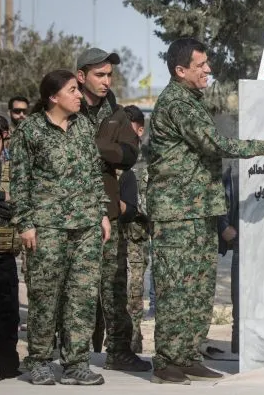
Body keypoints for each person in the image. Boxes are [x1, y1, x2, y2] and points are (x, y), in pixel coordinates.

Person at [147, 37, 264, 384]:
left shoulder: (192, 101)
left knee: (199, 289)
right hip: (177, 213)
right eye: (200, 65)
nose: (208, 69)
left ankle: (188, 355)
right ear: (180, 70)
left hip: (199, 209)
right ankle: (166, 361)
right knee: (176, 289)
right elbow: (214, 144)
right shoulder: (177, 103)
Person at [10, 70, 111, 385]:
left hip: (86, 226)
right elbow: (20, 180)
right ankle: (39, 360)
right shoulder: (30, 130)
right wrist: (26, 223)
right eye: (72, 90)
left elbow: (94, 172)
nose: (79, 95)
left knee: (82, 296)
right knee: (45, 296)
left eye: (78, 90)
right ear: (53, 97)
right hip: (47, 227)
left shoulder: (84, 126)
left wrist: (102, 213)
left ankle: (75, 363)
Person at [75, 48, 149, 371]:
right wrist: (109, 150)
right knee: (74, 288)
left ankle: (119, 351)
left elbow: (129, 154)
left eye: (109, 75)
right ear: (81, 76)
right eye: (100, 75)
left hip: (108, 215)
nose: (107, 81)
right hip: (71, 213)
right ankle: (70, 354)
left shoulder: (117, 114)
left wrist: (90, 147)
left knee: (115, 286)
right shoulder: (67, 107)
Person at [118, 105, 150, 353]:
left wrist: (130, 205)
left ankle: (132, 343)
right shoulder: (113, 158)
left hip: (136, 242)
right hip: (111, 238)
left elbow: (151, 206)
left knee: (134, 296)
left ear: (140, 130)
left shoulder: (149, 162)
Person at [0, 129, 20, 381]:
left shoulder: (10, 170)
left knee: (9, 312)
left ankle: (7, 365)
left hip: (6, 252)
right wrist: (3, 196)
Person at [217, 164, 239, 354]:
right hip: (242, 243)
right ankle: (239, 348)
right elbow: (219, 195)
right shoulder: (234, 170)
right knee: (240, 301)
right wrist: (223, 226)